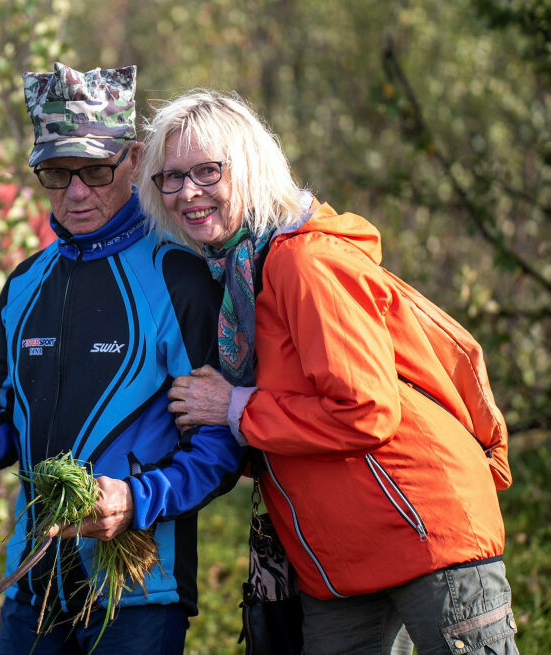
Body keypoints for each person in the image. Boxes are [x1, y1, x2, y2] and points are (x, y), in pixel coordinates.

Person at [0, 65, 245, 655]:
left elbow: (222, 447)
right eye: (55, 172)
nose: (76, 192)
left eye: (96, 170)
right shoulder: (25, 284)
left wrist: (135, 499)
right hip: (32, 588)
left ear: (135, 158)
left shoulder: (181, 279)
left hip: (139, 592)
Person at [139, 89, 519, 654]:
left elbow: (365, 412)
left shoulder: (304, 263)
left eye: (206, 171)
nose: (186, 192)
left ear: (249, 167)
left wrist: (233, 408)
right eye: (169, 177)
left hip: (424, 532)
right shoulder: (240, 279)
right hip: (337, 561)